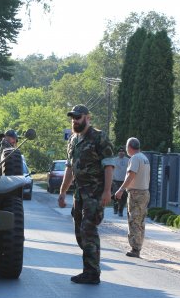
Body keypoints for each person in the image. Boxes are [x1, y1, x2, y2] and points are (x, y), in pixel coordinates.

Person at [58, 104, 114, 285]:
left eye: (78, 117)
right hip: (79, 194)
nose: (75, 120)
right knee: (79, 233)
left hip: (94, 193)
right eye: (73, 117)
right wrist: (62, 191)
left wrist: (107, 191)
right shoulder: (73, 140)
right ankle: (91, 265)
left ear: (87, 118)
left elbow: (109, 166)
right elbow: (69, 168)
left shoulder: (98, 137)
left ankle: (91, 272)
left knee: (88, 230)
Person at [115, 137, 151, 258]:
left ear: (129, 147)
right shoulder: (144, 158)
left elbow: (131, 175)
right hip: (144, 192)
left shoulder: (135, 158)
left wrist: (121, 189)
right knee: (140, 221)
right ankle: (138, 246)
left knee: (134, 220)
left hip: (136, 193)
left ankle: (135, 248)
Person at [111, 147, 129, 216]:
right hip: (115, 180)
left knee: (124, 196)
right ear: (118, 152)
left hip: (124, 181)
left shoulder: (128, 160)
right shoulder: (114, 160)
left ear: (125, 152)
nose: (121, 152)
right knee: (116, 195)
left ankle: (120, 210)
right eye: (120, 151)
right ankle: (115, 208)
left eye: (123, 151)